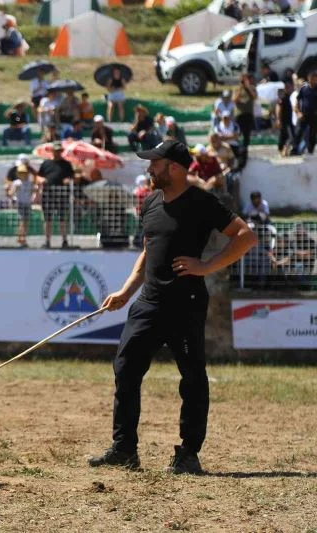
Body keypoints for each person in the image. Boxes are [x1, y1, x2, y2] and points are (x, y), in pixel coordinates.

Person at [88, 139, 257, 475]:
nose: (149, 169)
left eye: (155, 163)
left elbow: (246, 236)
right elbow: (149, 251)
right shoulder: (150, 203)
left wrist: (206, 266)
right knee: (125, 369)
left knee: (192, 378)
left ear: (175, 168)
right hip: (148, 302)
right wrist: (126, 291)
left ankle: (188, 453)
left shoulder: (201, 202)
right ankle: (124, 449)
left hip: (186, 305)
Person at [38, 142, 73, 249]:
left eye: (59, 151)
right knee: (48, 219)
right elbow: (38, 177)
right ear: (52, 151)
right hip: (48, 193)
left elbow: (72, 177)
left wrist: (68, 180)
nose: (58, 153)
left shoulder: (67, 164)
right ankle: (47, 241)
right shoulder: (46, 163)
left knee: (62, 219)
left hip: (62, 194)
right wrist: (41, 180)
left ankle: (65, 240)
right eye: (56, 150)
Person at [9, 164, 37, 247]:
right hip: (20, 203)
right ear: (18, 174)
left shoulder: (30, 182)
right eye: (21, 173)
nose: (23, 174)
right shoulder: (16, 182)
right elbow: (10, 194)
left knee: (26, 222)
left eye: (24, 172)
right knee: (22, 221)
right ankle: (21, 238)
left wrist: (33, 195)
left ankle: (22, 238)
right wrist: (15, 189)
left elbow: (32, 191)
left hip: (27, 203)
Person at [293, 70, 317, 155]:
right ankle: (294, 150)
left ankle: (310, 150)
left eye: (314, 78)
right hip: (303, 114)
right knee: (298, 132)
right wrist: (298, 112)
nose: (312, 80)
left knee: (312, 134)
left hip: (314, 116)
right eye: (310, 78)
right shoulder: (304, 88)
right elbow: (297, 101)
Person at [233, 73, 257, 147]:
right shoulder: (237, 89)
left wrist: (247, 87)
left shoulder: (252, 88)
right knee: (238, 133)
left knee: (247, 135)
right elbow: (234, 100)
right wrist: (241, 89)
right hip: (239, 114)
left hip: (248, 114)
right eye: (242, 80)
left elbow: (254, 97)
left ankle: (245, 150)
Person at [276, 81, 295, 156]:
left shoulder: (289, 97)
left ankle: (284, 150)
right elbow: (278, 108)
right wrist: (278, 120)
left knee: (285, 136)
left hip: (289, 121)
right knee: (289, 136)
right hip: (284, 121)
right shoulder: (283, 98)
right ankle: (283, 150)